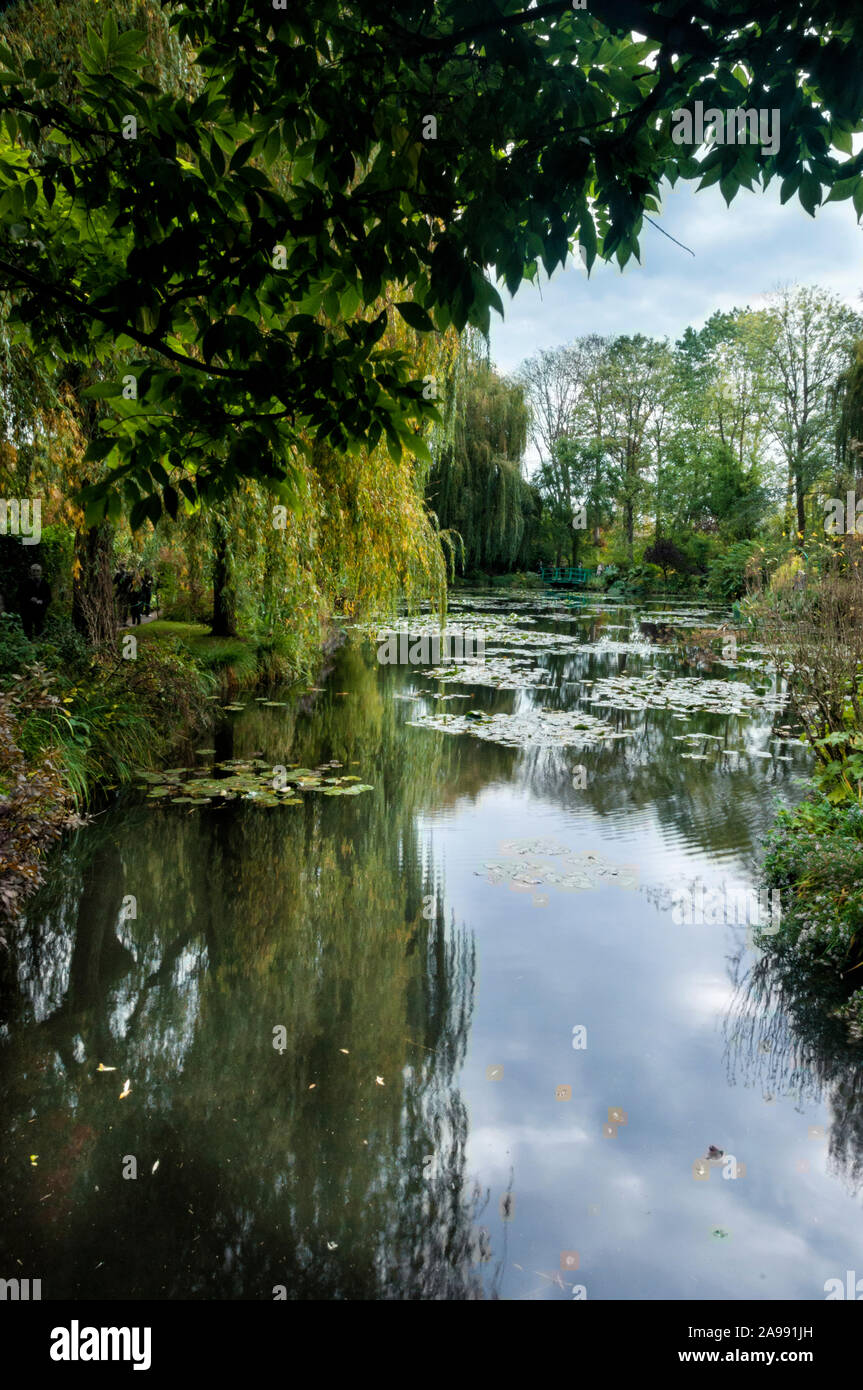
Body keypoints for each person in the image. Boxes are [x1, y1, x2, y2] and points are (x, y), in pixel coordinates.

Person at [21, 562, 51, 637]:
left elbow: (49, 598)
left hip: (40, 611)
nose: (35, 572)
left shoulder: (45, 584)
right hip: (27, 611)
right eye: (34, 570)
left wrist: (42, 601)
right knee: (27, 632)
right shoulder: (25, 583)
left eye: (38, 571)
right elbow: (19, 596)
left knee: (39, 630)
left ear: (41, 572)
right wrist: (29, 599)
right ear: (30, 572)